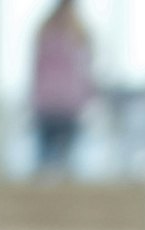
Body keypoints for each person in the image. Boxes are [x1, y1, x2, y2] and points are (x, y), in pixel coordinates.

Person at [29, 1, 96, 169]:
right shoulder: (46, 33)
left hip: (70, 105)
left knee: (69, 160)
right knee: (45, 159)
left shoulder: (80, 35)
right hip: (48, 104)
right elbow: (37, 69)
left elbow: (86, 70)